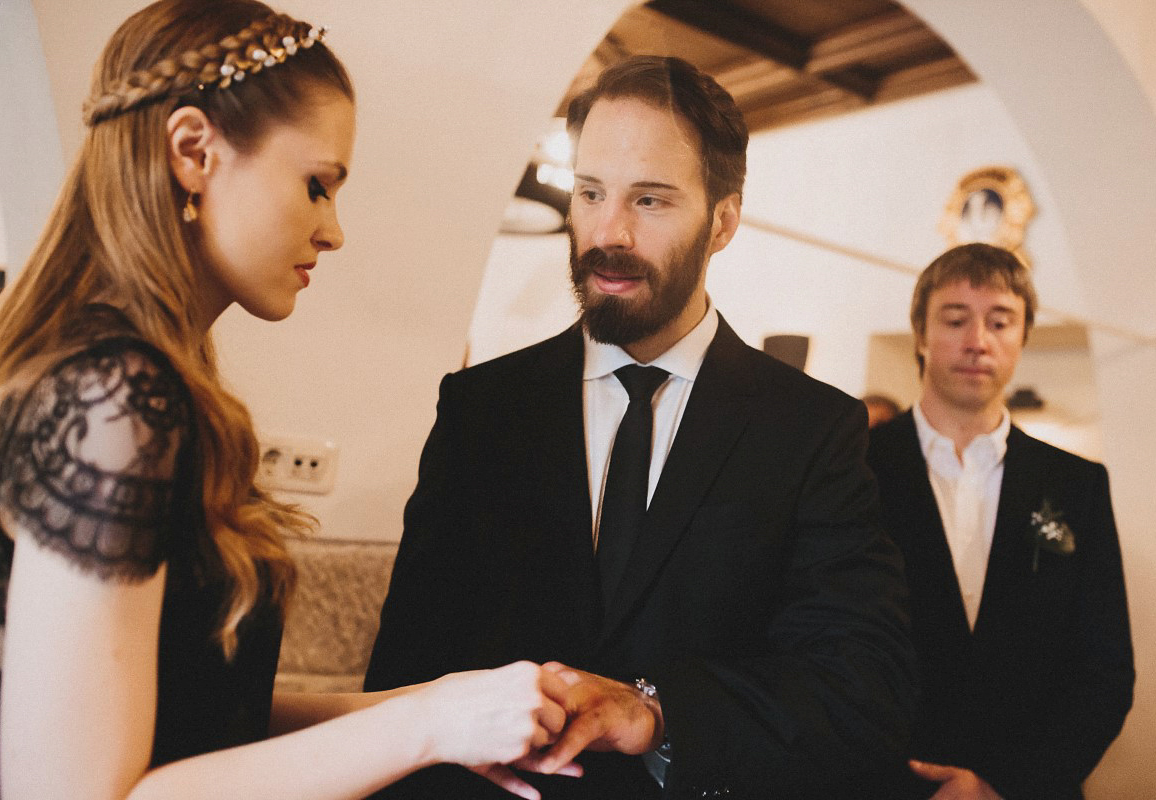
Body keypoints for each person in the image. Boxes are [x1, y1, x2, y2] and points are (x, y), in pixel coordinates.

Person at [0, 3, 580, 799]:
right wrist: (427, 724)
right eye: (317, 185)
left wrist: (435, 710)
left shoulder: (143, 381)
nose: (333, 231)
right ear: (194, 150)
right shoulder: (115, 394)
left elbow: (197, 712)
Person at [365, 55, 916, 799]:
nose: (608, 231)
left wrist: (657, 711)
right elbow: (407, 674)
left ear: (723, 221)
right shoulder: (481, 410)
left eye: (650, 201)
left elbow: (859, 687)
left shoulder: (811, 430)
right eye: (589, 192)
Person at [866, 243, 1134, 799]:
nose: (977, 342)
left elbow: (1104, 670)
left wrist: (1002, 786)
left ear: (1022, 338)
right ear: (920, 334)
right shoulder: (853, 466)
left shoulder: (1076, 484)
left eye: (1000, 321)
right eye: (955, 319)